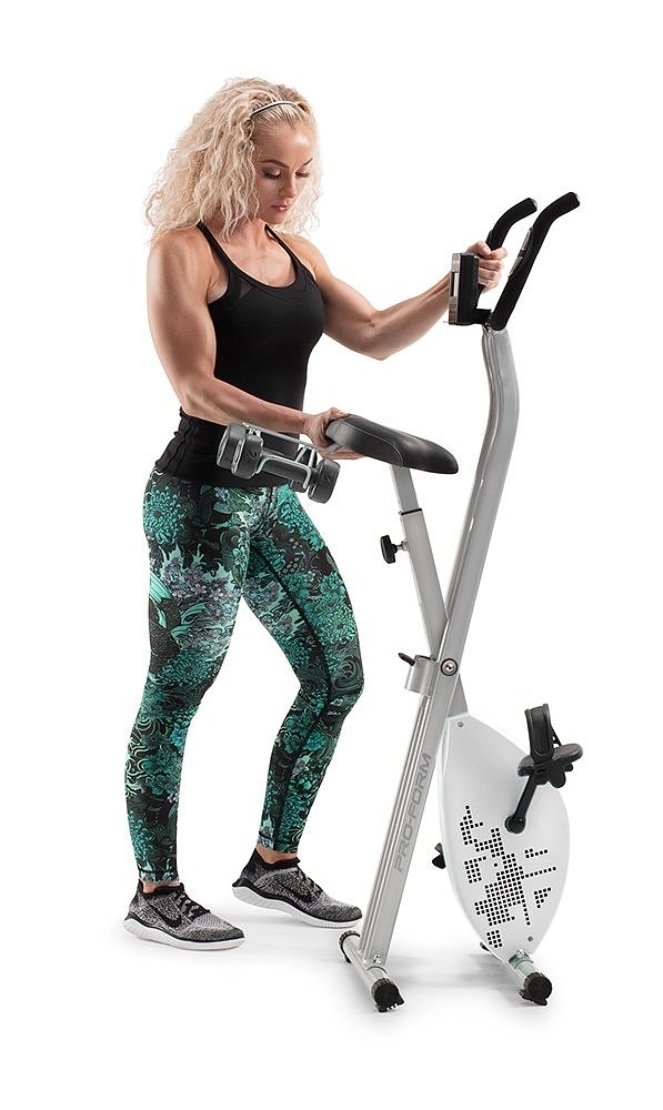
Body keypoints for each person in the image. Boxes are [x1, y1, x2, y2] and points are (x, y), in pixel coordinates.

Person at [123, 76, 506, 951]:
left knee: (337, 675)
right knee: (180, 686)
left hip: (268, 500)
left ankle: (272, 861)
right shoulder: (182, 252)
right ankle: (155, 889)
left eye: (300, 173)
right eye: (270, 172)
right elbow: (195, 387)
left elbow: (371, 333)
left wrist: (450, 284)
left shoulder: (296, 254)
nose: (288, 189)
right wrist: (302, 423)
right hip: (196, 502)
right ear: (227, 161)